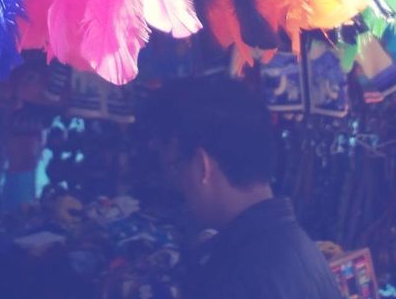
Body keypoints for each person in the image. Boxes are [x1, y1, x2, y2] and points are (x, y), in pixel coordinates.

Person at [144, 77, 341, 299]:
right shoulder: (302, 249)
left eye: (173, 166)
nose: (175, 183)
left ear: (202, 166)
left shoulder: (233, 277)